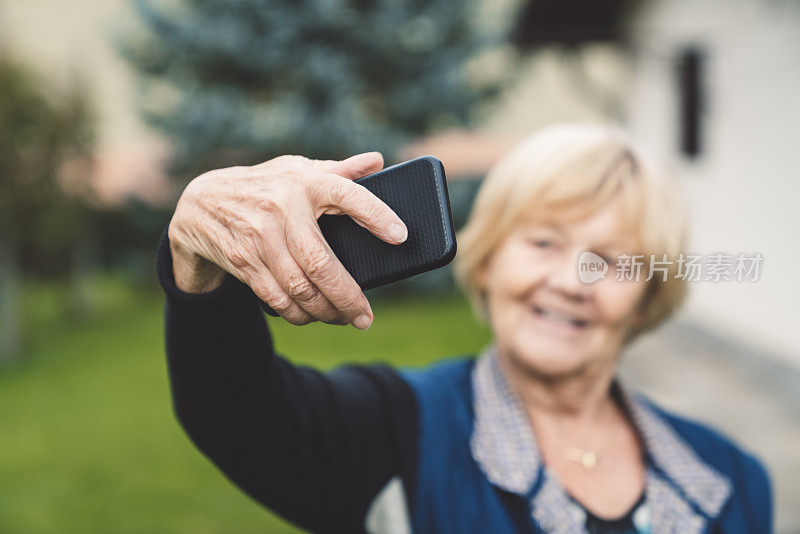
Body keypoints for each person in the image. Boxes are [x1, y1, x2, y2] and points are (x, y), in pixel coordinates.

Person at [156, 123, 772, 533]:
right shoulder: (394, 428)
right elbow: (234, 412)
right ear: (491, 257)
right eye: (542, 241)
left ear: (646, 294)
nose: (571, 281)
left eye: (608, 260)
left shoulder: (732, 480)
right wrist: (196, 257)